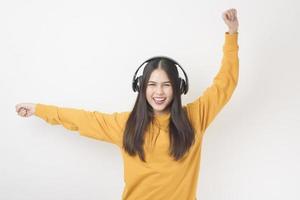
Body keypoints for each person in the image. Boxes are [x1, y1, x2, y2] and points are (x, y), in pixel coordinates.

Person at [15, 8, 239, 200]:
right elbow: (80, 119)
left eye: (166, 85)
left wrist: (232, 34)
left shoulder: (195, 117)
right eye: (152, 85)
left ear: (178, 88)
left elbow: (225, 83)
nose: (158, 92)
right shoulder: (126, 124)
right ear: (141, 87)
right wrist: (38, 109)